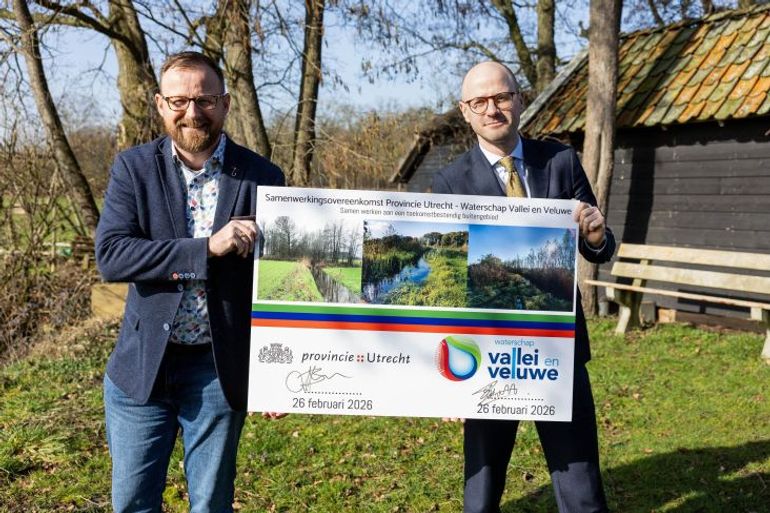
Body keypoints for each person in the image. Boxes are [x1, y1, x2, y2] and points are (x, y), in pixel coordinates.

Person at [95, 51, 285, 513]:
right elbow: (112, 256)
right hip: (142, 368)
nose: (192, 112)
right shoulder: (133, 168)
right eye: (179, 101)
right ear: (161, 104)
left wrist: (277, 375)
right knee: (133, 503)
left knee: (211, 504)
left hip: (218, 368)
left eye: (205, 100)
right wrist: (206, 249)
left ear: (226, 104)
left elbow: (280, 281)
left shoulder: (263, 176)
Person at [432, 61, 614, 513]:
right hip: (483, 354)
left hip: (557, 352)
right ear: (465, 111)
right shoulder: (449, 182)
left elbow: (598, 246)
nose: (492, 109)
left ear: (519, 99)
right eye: (479, 102)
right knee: (482, 490)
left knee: (582, 488)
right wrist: (444, 379)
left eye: (501, 97)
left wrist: (595, 235)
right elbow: (445, 281)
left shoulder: (561, 161)